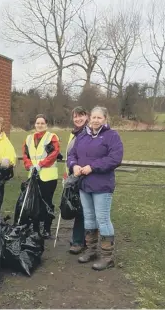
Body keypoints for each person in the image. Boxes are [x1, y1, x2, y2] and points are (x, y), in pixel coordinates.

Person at [67, 106, 123, 270]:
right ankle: (91, 250)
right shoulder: (82, 136)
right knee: (89, 218)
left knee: (103, 219)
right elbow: (72, 154)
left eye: (99, 118)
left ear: (105, 119)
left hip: (102, 185)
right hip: (84, 184)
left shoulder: (112, 136)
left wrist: (93, 166)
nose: (96, 120)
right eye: (94, 117)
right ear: (89, 118)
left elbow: (115, 158)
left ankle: (107, 256)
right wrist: (74, 165)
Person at [22, 114, 61, 239]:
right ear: (35, 124)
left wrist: (40, 165)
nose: (39, 125)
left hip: (48, 176)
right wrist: (29, 166)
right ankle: (35, 227)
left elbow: (54, 153)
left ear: (46, 125)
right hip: (33, 176)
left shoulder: (52, 137)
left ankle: (47, 228)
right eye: (38, 123)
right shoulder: (29, 138)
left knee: (47, 203)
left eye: (42, 123)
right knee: (34, 203)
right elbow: (25, 154)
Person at [65, 106, 88, 254]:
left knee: (84, 210)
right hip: (74, 175)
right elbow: (70, 154)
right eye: (75, 116)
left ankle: (81, 241)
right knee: (79, 208)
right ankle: (79, 239)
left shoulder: (89, 133)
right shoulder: (73, 134)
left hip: (86, 175)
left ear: (87, 116)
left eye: (81, 116)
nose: (78, 119)